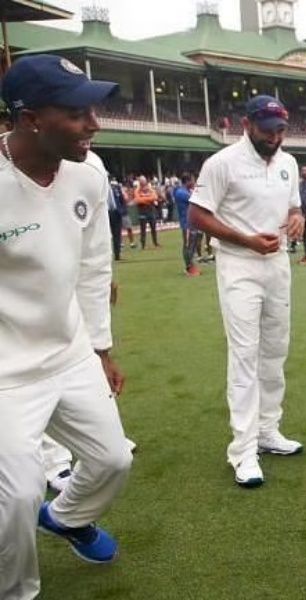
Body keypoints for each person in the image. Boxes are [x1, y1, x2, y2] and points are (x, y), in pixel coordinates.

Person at [0, 54, 133, 600]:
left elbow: (96, 265)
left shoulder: (89, 174)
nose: (93, 125)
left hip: (71, 351)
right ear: (31, 118)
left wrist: (100, 348)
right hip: (6, 372)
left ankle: (69, 516)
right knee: (16, 498)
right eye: (78, 114)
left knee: (113, 459)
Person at [188, 95, 305, 488]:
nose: (275, 136)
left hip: (278, 262)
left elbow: (293, 207)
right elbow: (197, 214)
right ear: (248, 124)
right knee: (245, 354)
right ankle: (243, 449)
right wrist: (245, 239)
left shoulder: (287, 162)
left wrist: (296, 218)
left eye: (280, 129)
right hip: (239, 264)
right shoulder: (222, 163)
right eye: (268, 129)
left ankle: (269, 431)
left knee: (276, 349)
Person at [173, 173, 200, 276]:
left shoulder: (185, 191)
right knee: (188, 245)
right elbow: (196, 200)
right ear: (187, 181)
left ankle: (192, 266)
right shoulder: (181, 192)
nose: (193, 183)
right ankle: (189, 268)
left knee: (192, 245)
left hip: (192, 222)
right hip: (187, 223)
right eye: (192, 181)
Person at [133, 175, 160, 249]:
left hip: (151, 211)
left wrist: (144, 199)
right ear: (140, 183)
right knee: (143, 229)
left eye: (144, 182)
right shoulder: (137, 190)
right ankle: (143, 245)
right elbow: (138, 200)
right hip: (142, 212)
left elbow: (155, 197)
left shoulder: (150, 189)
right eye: (142, 182)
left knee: (153, 228)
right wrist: (149, 200)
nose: (143, 184)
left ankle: (155, 243)